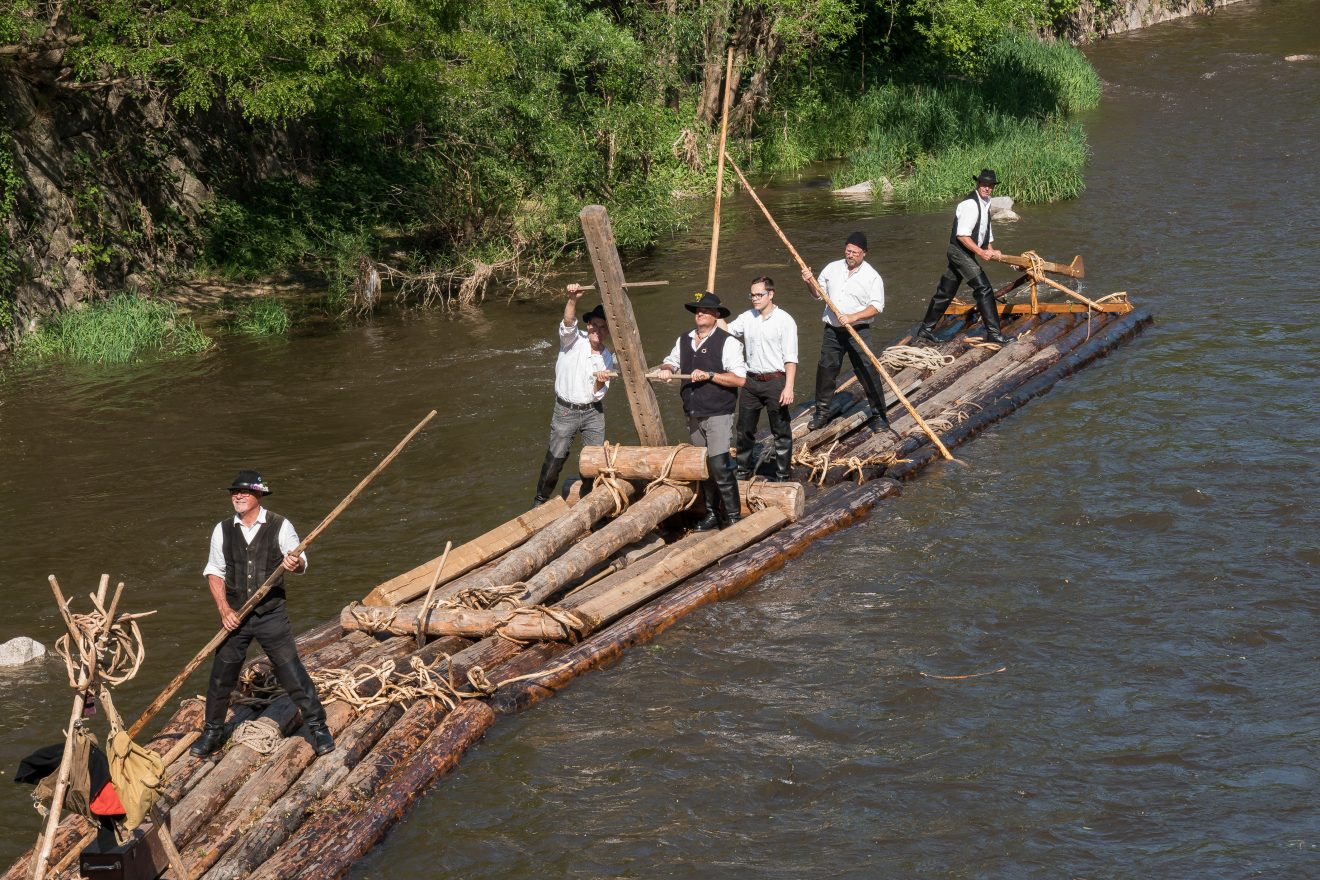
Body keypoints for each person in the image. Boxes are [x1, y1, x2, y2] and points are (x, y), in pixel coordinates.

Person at [193, 470, 334, 758]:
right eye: (235, 492)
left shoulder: (280, 525)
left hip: (270, 615)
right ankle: (213, 732)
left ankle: (318, 728)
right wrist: (224, 609)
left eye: (244, 492)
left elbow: (300, 560)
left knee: (291, 672)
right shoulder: (222, 529)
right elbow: (214, 572)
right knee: (222, 675)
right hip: (235, 617)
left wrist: (295, 564)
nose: (238, 496)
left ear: (258, 495)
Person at [658, 291, 747, 530]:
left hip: (718, 411)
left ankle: (733, 516)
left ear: (716, 316)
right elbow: (671, 360)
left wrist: (710, 375)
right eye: (698, 310)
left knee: (719, 463)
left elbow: (739, 379)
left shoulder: (728, 342)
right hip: (693, 412)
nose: (700, 313)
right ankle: (712, 513)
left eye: (706, 311)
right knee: (704, 464)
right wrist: (667, 368)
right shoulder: (684, 339)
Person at [533, 284, 615, 506]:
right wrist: (572, 300)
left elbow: (598, 394)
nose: (597, 330)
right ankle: (540, 500)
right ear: (588, 326)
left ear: (608, 331)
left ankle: (588, 500)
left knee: (595, 460)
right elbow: (568, 322)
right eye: (594, 325)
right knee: (556, 458)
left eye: (603, 327)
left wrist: (600, 380)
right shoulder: (573, 340)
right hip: (566, 409)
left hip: (593, 411)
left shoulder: (607, 357)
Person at [799, 231, 889, 432]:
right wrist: (809, 282)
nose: (851, 255)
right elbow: (817, 295)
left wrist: (853, 317)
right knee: (826, 370)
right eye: (848, 251)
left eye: (855, 253)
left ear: (863, 253)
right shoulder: (832, 268)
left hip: (858, 330)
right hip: (833, 330)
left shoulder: (872, 276)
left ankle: (879, 415)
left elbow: (876, 307)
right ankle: (822, 413)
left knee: (867, 371)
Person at [915, 168, 1008, 346]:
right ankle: (994, 334)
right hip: (959, 252)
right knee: (984, 289)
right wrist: (981, 253)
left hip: (965, 251)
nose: (987, 188)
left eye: (990, 185)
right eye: (984, 184)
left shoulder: (985, 202)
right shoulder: (970, 205)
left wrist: (991, 248)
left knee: (946, 291)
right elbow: (962, 236)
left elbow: (983, 230)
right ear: (978, 184)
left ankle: (925, 331)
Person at [724, 276, 798, 482]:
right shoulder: (747, 317)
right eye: (752, 295)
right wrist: (715, 311)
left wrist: (789, 387)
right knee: (744, 429)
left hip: (776, 381)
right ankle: (742, 472)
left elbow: (791, 358)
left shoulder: (785, 320)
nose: (754, 299)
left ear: (771, 294)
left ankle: (783, 475)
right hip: (751, 381)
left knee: (780, 430)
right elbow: (725, 330)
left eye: (759, 295)